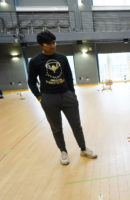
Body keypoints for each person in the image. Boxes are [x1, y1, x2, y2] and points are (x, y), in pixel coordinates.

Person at [27, 30, 97, 165]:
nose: (52, 46)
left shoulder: (62, 58)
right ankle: (63, 152)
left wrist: (72, 94)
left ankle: (83, 148)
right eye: (48, 44)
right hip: (48, 99)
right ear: (41, 45)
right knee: (56, 128)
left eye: (54, 42)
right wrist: (39, 98)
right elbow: (31, 81)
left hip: (67, 96)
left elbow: (69, 77)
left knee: (76, 125)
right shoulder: (35, 61)